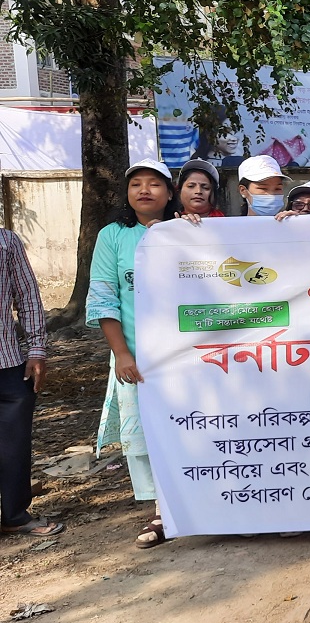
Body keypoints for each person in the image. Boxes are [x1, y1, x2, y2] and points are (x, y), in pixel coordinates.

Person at [86, 159, 181, 548]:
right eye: (136, 183)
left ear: (170, 193)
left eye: (154, 184)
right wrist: (122, 354)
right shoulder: (112, 236)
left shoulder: (186, 231)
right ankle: (162, 513)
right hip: (137, 358)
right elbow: (103, 298)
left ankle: (206, 503)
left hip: (187, 358)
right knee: (146, 434)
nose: (144, 190)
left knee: (192, 428)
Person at [0, 225, 58, 538]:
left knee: (14, 445)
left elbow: (27, 296)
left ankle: (15, 515)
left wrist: (37, 349)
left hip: (8, 362)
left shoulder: (6, 241)